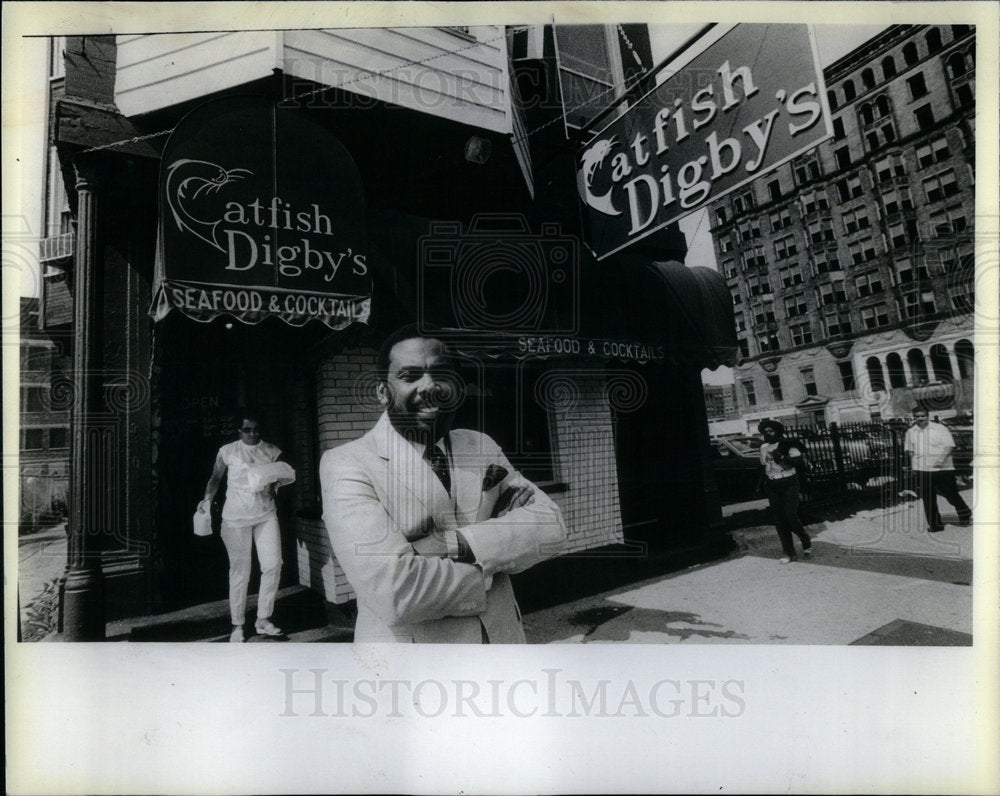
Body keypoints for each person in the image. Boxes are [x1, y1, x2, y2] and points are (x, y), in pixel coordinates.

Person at [320, 326, 567, 643]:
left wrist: (455, 543)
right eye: (410, 376)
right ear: (382, 391)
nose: (431, 387)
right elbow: (395, 593)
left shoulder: (479, 445)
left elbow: (552, 528)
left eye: (441, 374)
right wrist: (495, 558)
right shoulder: (347, 463)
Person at [199, 412, 289, 642]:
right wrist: (206, 500)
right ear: (239, 430)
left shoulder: (272, 450)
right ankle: (237, 625)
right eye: (247, 429)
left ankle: (263, 620)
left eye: (256, 429)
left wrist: (275, 485)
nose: (252, 433)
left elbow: (279, 477)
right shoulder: (228, 451)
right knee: (240, 572)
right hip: (235, 519)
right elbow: (215, 478)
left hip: (266, 514)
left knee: (272, 565)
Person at [903, 407, 972, 532]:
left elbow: (949, 446)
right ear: (914, 417)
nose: (920, 418)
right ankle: (935, 525)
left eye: (922, 416)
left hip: (943, 469)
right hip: (922, 469)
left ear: (927, 416)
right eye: (917, 416)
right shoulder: (911, 432)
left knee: (951, 495)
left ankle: (965, 513)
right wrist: (915, 464)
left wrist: (940, 460)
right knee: (928, 497)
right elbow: (909, 450)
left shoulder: (939, 429)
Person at [758, 419, 812, 564]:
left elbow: (797, 463)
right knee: (779, 520)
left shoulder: (788, 445)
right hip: (772, 484)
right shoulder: (763, 448)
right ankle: (789, 552)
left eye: (770, 431)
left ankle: (805, 538)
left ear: (778, 432)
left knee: (790, 515)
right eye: (765, 431)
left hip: (789, 482)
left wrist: (781, 456)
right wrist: (760, 485)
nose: (767, 433)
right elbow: (765, 467)